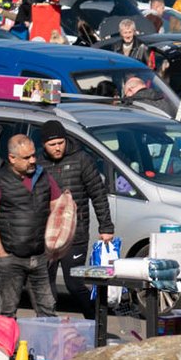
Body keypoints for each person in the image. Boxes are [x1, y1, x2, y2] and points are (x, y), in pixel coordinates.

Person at [35, 120, 115, 314]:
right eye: (52, 145)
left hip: (75, 234)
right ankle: (48, 324)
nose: (57, 148)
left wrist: (106, 227)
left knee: (74, 284)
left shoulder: (81, 159)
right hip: (47, 235)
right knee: (45, 285)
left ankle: (95, 321)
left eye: (60, 143)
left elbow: (98, 194)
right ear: (44, 145)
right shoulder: (38, 163)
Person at [0, 134, 61, 317]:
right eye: (26, 158)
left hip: (40, 256)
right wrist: (1, 255)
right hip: (12, 258)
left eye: (34, 155)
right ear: (12, 158)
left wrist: (54, 245)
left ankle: (47, 345)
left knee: (48, 310)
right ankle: (8, 346)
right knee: (7, 312)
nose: (32, 160)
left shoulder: (43, 177)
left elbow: (58, 209)